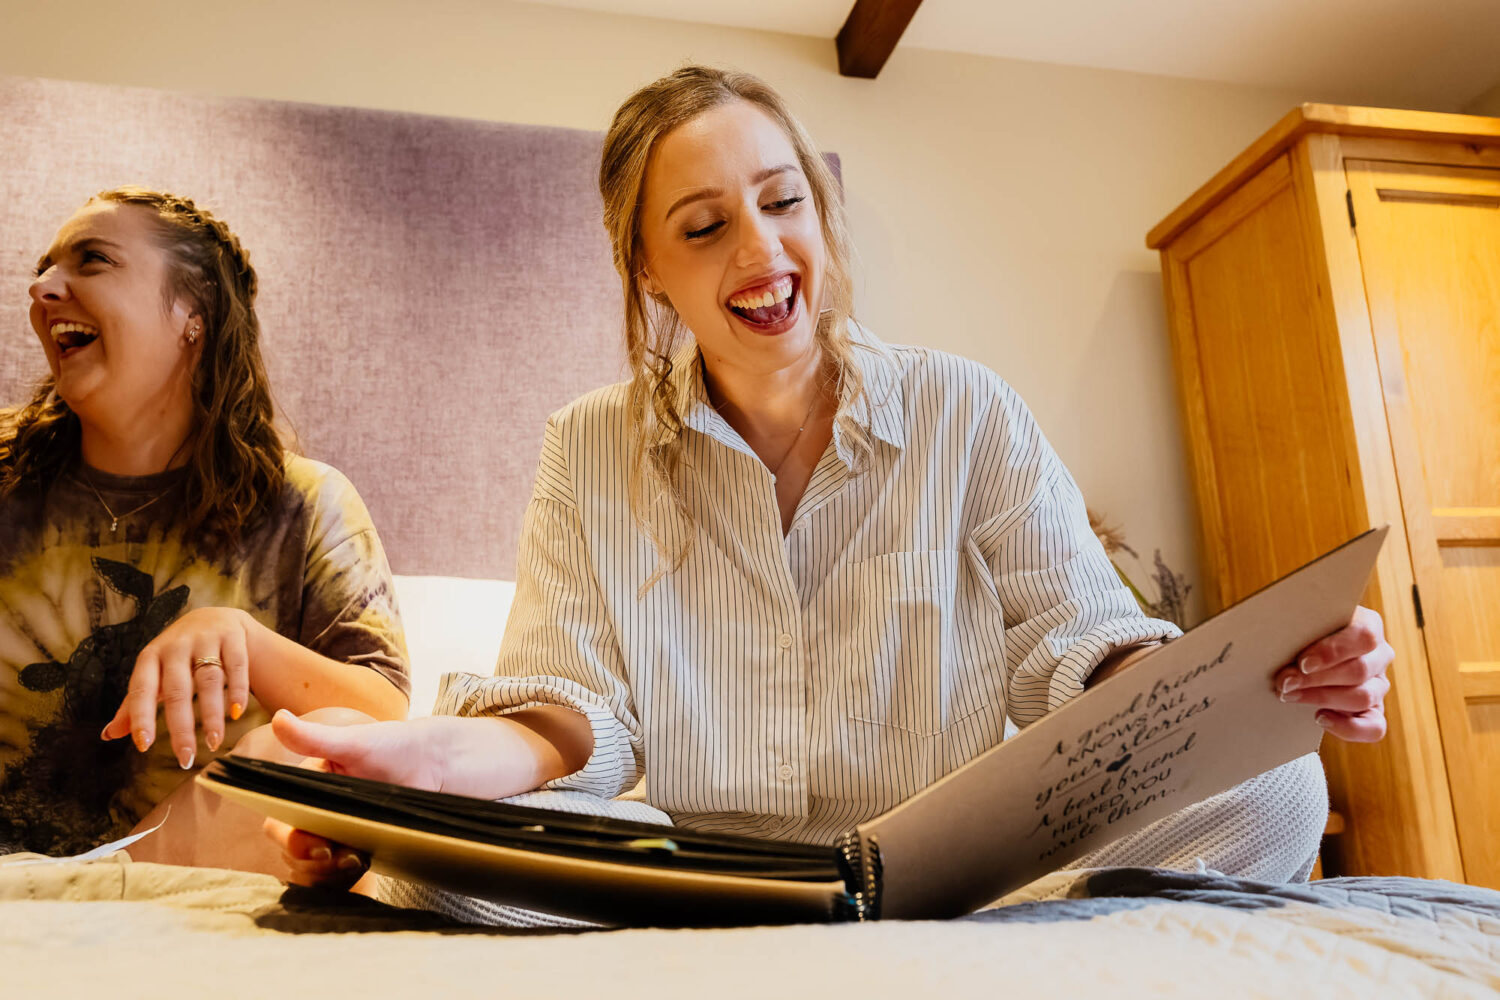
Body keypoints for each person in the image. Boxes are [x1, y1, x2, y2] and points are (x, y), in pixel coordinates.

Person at [264, 67, 1393, 902]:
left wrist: (1237, 691)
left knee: (1281, 787)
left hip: (951, 869)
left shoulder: (968, 406)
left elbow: (1085, 643)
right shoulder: (587, 448)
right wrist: (433, 777)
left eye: (783, 200)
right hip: (698, 881)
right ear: (650, 273)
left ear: (819, 208)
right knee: (427, 874)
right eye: (704, 227)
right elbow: (570, 709)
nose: (760, 250)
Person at [0, 187, 409, 860]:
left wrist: (242, 636)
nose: (42, 287)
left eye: (92, 260)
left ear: (193, 313)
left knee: (330, 743)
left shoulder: (303, 504)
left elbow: (381, 719)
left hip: (179, 854)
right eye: (44, 269)